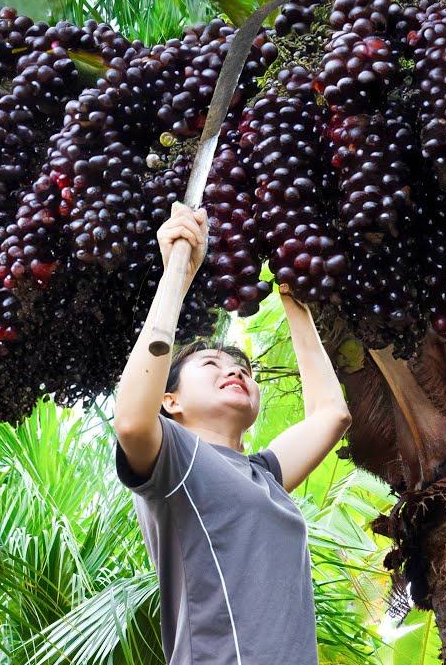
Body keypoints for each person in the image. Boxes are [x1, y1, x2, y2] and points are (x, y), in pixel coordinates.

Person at [112, 202, 352, 665]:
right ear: (171, 402)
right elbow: (131, 421)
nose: (236, 372)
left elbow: (331, 414)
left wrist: (292, 300)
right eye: (211, 365)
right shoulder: (174, 462)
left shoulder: (262, 476)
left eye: (243, 368)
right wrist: (176, 277)